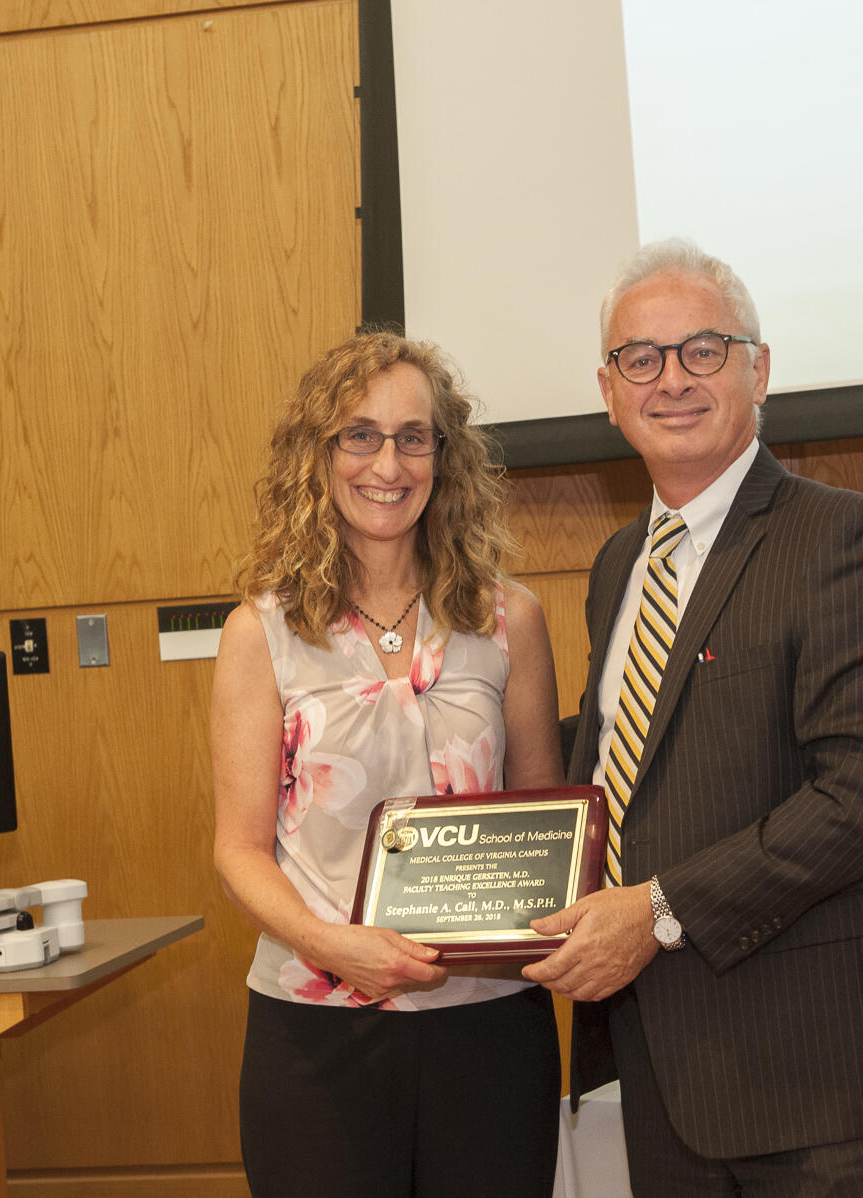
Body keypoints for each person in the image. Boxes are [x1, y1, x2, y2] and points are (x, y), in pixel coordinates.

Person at [522, 240, 863, 1196]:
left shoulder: (842, 536)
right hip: (664, 1069)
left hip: (813, 1079)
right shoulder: (619, 564)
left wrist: (660, 912)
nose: (671, 380)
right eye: (641, 358)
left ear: (760, 368)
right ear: (608, 387)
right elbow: (619, 757)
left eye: (703, 350)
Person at [211, 330, 565, 1198]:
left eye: (415, 437)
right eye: (360, 435)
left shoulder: (506, 619)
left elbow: (544, 822)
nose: (388, 462)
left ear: (446, 458)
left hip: (488, 1028)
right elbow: (239, 850)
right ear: (319, 455)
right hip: (316, 1029)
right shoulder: (262, 634)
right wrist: (336, 947)